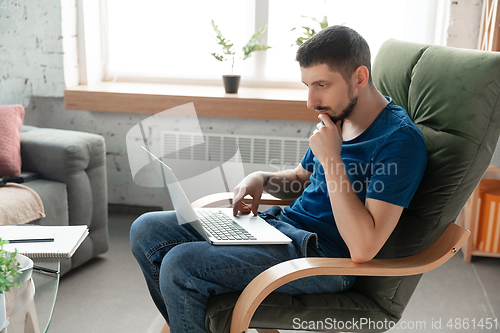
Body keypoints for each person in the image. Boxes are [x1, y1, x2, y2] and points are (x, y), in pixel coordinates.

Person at [130, 25, 427, 333]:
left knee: (181, 266)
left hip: (323, 257)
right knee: (146, 230)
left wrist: (331, 159)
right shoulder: (337, 118)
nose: (311, 101)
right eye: (307, 85)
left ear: (360, 78)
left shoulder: (400, 142)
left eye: (321, 85)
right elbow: (302, 177)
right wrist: (263, 178)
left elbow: (363, 248)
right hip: (280, 228)